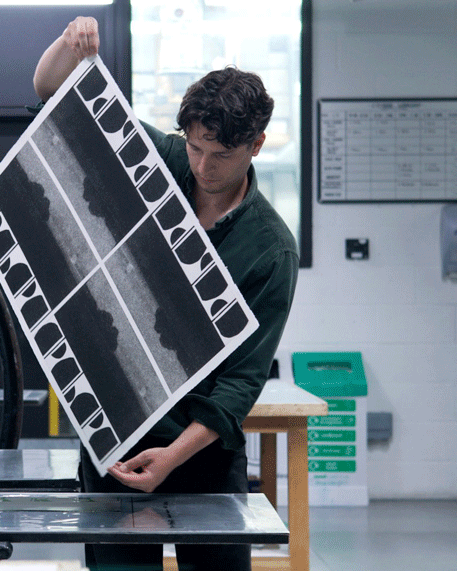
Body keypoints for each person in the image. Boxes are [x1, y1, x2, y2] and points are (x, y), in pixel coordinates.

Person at [33, 16, 300, 571]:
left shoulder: (270, 249)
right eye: (196, 147)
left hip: (202, 455)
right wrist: (69, 44)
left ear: (257, 145)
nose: (203, 167)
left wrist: (172, 458)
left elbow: (240, 384)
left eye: (221, 155)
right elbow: (50, 91)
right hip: (117, 437)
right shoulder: (159, 162)